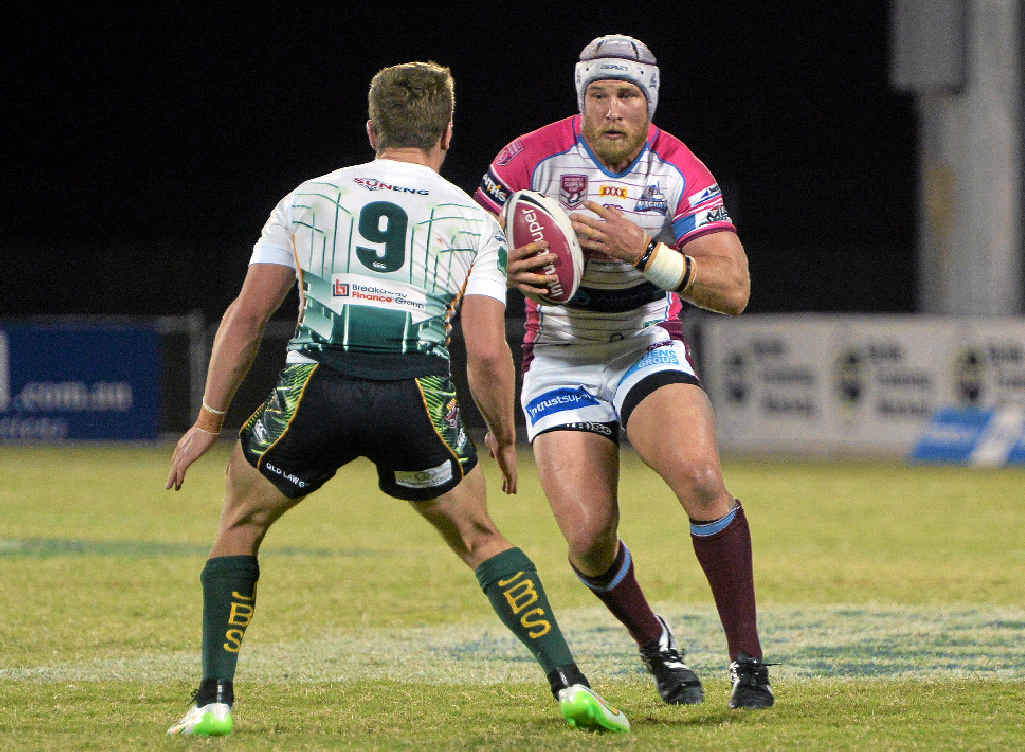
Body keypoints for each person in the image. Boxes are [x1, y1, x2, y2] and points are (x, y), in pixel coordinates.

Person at [164, 61, 629, 737]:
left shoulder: (309, 198)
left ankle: (213, 698)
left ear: (372, 128)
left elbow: (245, 317)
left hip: (315, 390)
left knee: (240, 524)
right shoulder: (472, 220)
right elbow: (488, 352)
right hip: (415, 396)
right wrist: (501, 434)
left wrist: (207, 422)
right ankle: (570, 684)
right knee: (478, 536)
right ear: (445, 135)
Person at [474, 35, 773, 709]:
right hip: (558, 355)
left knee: (700, 480)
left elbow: (732, 289)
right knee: (587, 537)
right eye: (598, 94)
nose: (612, 109)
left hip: (643, 341)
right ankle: (655, 644)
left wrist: (646, 252)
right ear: (580, 101)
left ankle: (747, 662)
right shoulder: (527, 158)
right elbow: (461, 254)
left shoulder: (677, 168)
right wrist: (500, 268)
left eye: (628, 95)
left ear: (650, 104)